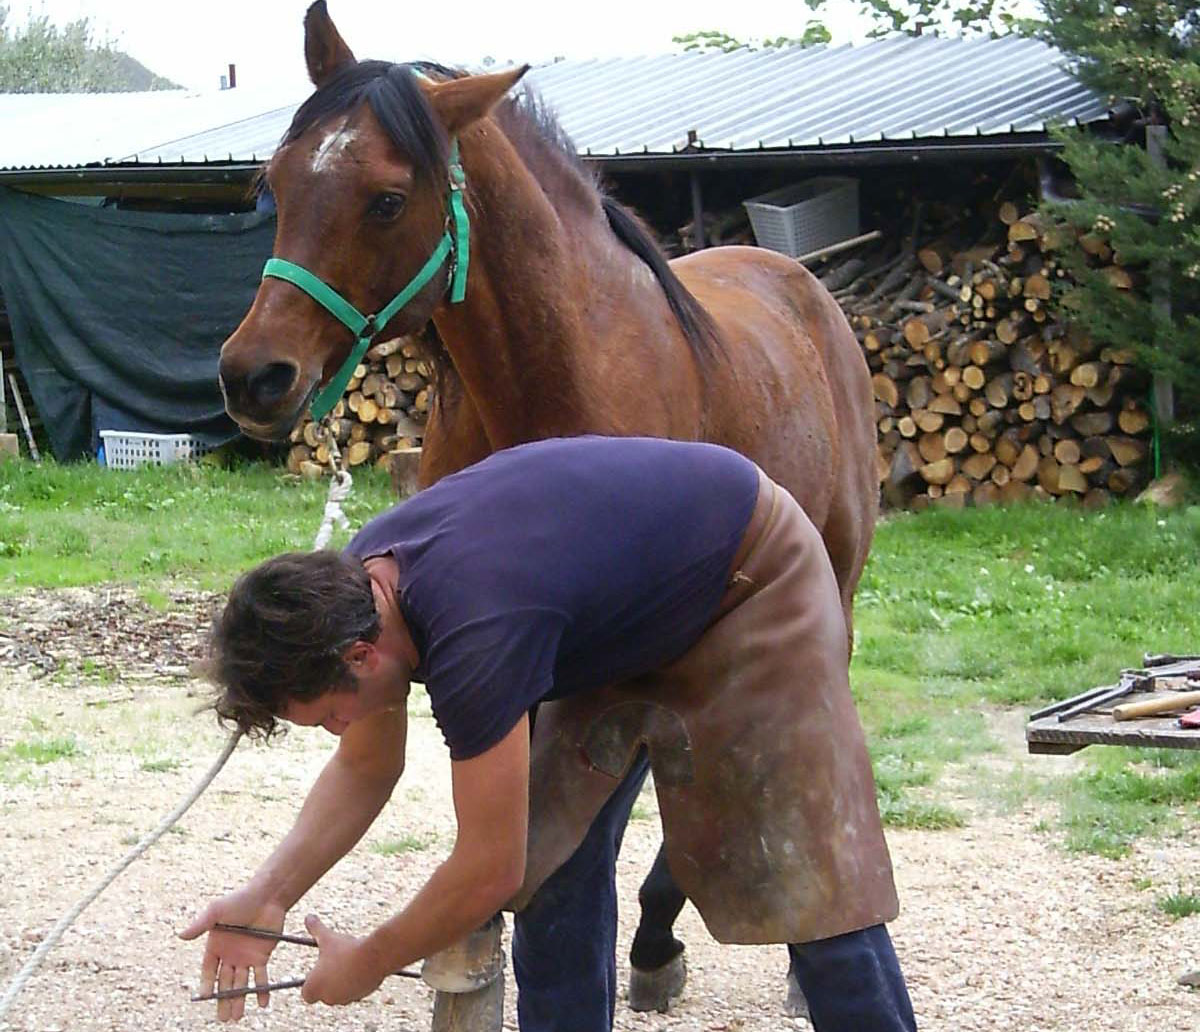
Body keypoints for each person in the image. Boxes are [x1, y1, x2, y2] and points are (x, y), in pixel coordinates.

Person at [182, 435, 916, 1032]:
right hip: (613, 617)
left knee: (803, 876)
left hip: (749, 577)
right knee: (550, 868)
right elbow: (367, 769)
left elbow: (484, 867)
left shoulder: (476, 636)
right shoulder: (356, 595)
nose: (341, 729)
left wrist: (371, 960)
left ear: (360, 656)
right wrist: (267, 894)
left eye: (330, 715)